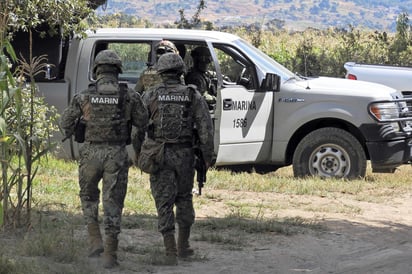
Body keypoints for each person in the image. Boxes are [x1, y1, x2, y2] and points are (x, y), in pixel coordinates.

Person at [60, 50, 148, 269]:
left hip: (90, 154)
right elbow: (143, 121)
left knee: (88, 197)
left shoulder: (83, 96)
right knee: (113, 202)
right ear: (118, 70)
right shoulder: (129, 95)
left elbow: (66, 124)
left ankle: (94, 240)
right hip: (116, 155)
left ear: (97, 69)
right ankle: (110, 254)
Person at [138, 53, 214, 265]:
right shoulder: (192, 95)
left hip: (158, 154)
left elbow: (139, 127)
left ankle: (170, 250)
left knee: (164, 201)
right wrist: (208, 155)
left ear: (161, 73)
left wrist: (138, 152)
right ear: (181, 71)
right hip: (184, 155)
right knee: (184, 198)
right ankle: (183, 246)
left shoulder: (151, 95)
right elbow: (206, 127)